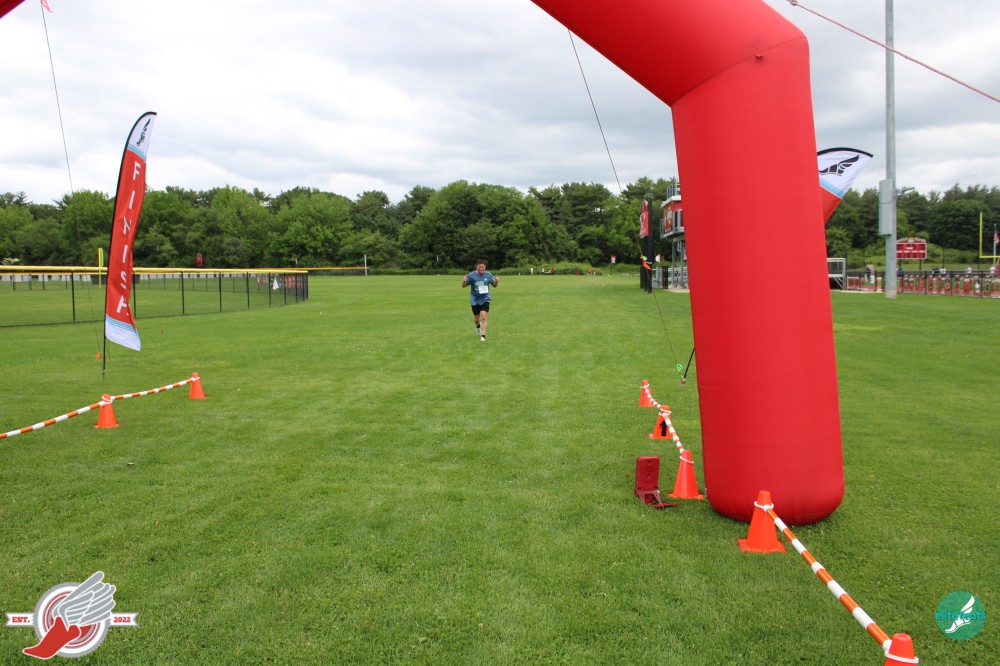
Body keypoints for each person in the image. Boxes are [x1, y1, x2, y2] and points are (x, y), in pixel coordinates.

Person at [462, 260, 499, 342]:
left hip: (485, 298)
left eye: (482, 267)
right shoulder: (471, 275)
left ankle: (483, 336)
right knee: (476, 319)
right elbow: (463, 286)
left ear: (485, 267)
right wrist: (464, 281)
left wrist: (496, 281)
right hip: (475, 300)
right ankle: (478, 327)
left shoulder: (488, 275)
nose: (481, 269)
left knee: (484, 316)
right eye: (479, 267)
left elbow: (494, 285)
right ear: (476, 267)